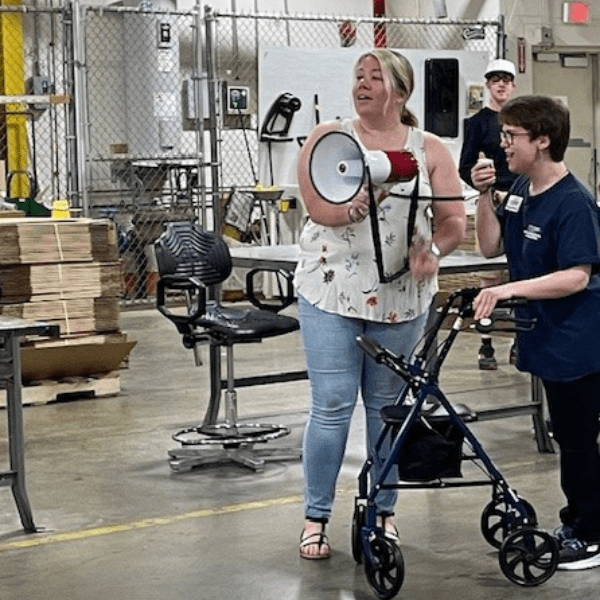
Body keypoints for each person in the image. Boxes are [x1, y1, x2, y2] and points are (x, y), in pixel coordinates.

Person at [294, 49, 466, 559]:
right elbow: (316, 206)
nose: (363, 84)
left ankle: (382, 512)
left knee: (388, 412)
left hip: (400, 298)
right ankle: (315, 517)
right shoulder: (328, 139)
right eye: (359, 76)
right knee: (331, 406)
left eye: (377, 77)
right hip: (331, 291)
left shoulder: (429, 148)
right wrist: (348, 209)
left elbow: (453, 219)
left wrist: (433, 251)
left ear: (402, 92)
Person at [472, 95, 600, 571]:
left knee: (577, 437)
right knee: (568, 432)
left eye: (512, 136)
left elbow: (577, 276)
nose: (503, 144)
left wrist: (509, 291)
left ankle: (589, 531)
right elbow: (489, 244)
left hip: (578, 339)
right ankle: (583, 518)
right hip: (546, 336)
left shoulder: (573, 202)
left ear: (542, 141)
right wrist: (484, 194)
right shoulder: (524, 189)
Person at [458, 58, 518, 370]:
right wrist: (485, 186)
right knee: (490, 270)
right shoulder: (478, 123)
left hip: (521, 200)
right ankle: (486, 341)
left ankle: (520, 340)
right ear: (488, 85)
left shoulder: (523, 122)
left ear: (514, 84)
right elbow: (464, 166)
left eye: (506, 79)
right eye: (495, 79)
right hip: (493, 199)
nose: (501, 84)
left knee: (524, 268)